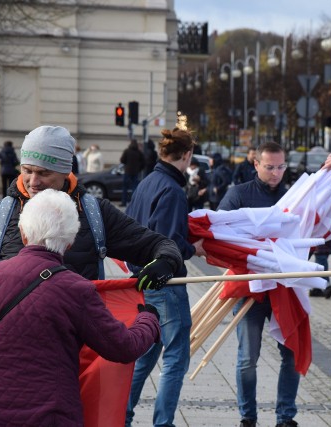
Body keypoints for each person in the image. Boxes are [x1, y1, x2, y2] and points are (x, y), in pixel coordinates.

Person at [0, 189, 161, 425]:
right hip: (49, 414)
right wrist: (148, 320)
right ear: (70, 242)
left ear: (23, 233)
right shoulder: (78, 290)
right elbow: (122, 347)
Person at [0, 125, 183, 288]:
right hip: (11, 344)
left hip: (76, 348)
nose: (34, 182)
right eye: (27, 170)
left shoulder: (96, 213)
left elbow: (159, 244)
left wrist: (165, 261)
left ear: (66, 171)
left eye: (44, 173)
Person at [124, 128, 206, 427]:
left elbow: (132, 230)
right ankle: (163, 423)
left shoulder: (147, 183)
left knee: (145, 357)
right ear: (186, 156)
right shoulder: (171, 190)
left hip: (143, 282)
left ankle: (122, 416)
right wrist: (192, 248)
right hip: (166, 283)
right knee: (176, 358)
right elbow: (168, 241)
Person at [218, 142, 299, 427]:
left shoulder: (294, 197)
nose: (276, 173)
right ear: (256, 164)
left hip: (286, 288)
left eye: (281, 167)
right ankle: (248, 417)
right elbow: (219, 232)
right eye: (270, 167)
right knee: (247, 358)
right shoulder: (238, 195)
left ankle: (286, 416)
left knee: (291, 354)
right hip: (250, 288)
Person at [120, 139, 145, 206]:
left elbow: (122, 160)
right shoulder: (138, 152)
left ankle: (124, 202)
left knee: (125, 187)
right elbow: (143, 162)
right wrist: (139, 169)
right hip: (136, 172)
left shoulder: (127, 151)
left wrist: (127, 164)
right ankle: (133, 203)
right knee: (134, 187)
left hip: (127, 171)